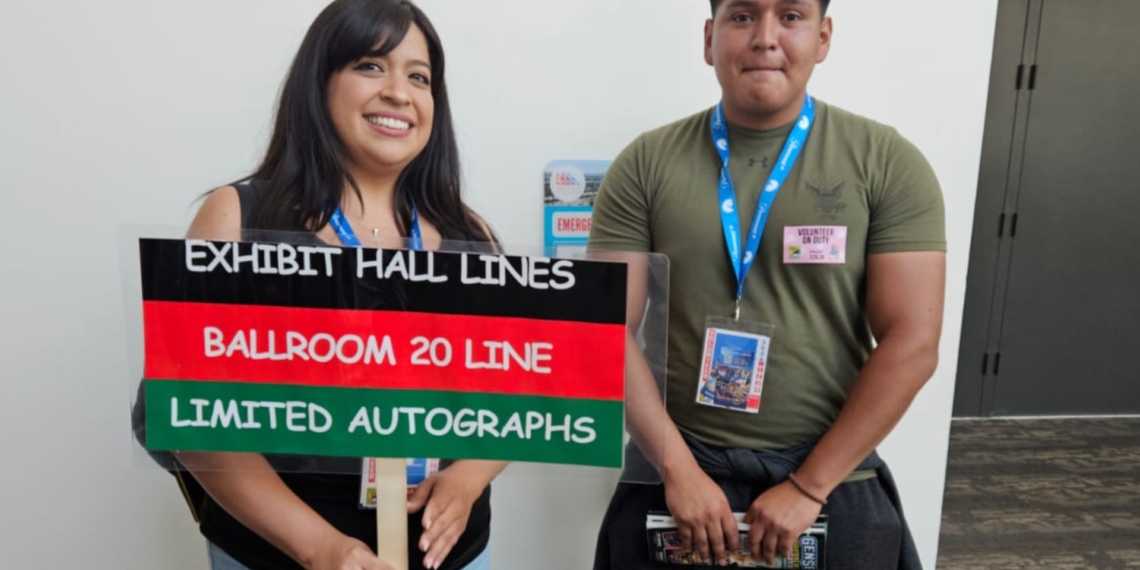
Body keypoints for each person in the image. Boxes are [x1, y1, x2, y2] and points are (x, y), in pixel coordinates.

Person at [130, 1, 504, 569]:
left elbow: (525, 399)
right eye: (371, 66)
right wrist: (322, 549)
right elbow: (182, 417)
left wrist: (468, 482)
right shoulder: (238, 219)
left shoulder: (468, 233)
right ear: (320, 82)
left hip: (451, 553)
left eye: (420, 76)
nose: (400, 92)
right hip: (278, 555)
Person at [588, 0, 945, 568]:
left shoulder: (888, 162)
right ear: (709, 38)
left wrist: (808, 487)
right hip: (677, 475)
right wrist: (679, 472)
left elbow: (913, 342)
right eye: (742, 16)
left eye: (791, 16)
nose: (765, 37)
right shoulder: (645, 164)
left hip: (832, 477)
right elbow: (603, 330)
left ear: (823, 37)